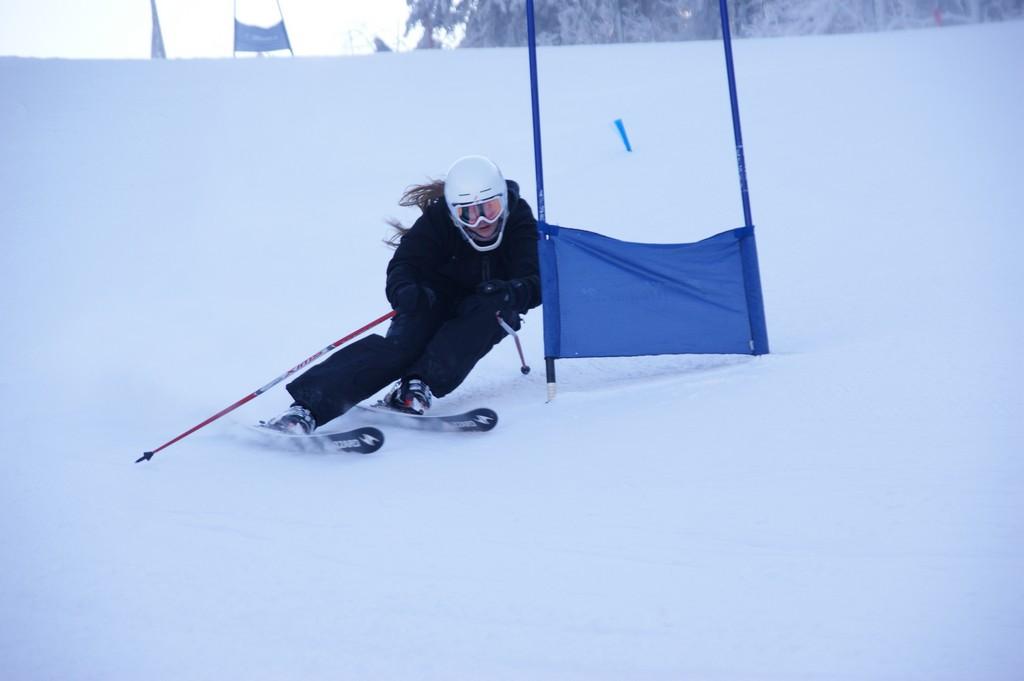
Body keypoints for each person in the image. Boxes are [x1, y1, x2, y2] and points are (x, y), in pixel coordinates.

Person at [264, 155, 541, 434]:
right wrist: (405, 291)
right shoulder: (438, 219)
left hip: (487, 305)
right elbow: (405, 264)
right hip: (433, 299)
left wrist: (512, 292)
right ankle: (306, 410)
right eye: (467, 213)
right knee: (399, 349)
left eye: (490, 209)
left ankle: (417, 388)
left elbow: (537, 280)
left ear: (504, 201)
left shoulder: (519, 220)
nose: (481, 220)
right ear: (453, 212)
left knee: (487, 319)